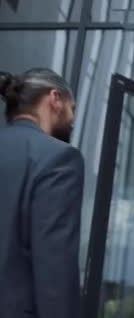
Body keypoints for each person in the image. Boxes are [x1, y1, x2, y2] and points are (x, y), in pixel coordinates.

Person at [0, 69, 84, 318]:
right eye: (72, 108)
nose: (72, 120)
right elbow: (55, 269)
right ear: (55, 99)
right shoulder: (58, 158)